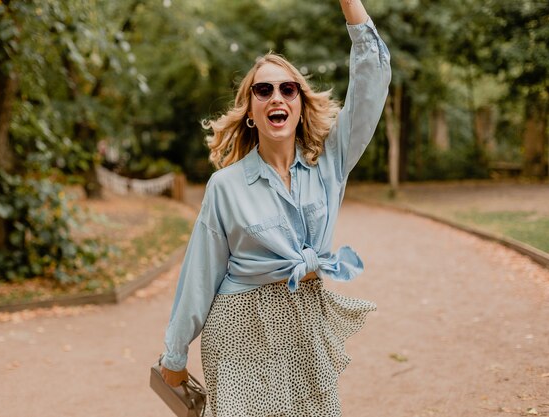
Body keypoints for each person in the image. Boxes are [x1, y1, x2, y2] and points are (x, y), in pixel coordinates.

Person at [160, 0, 390, 415]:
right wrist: (174, 358)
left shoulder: (331, 164)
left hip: (305, 325)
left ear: (300, 105)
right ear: (251, 110)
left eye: (288, 89)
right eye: (262, 90)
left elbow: (372, 79)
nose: (276, 97)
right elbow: (199, 273)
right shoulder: (225, 186)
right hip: (238, 331)